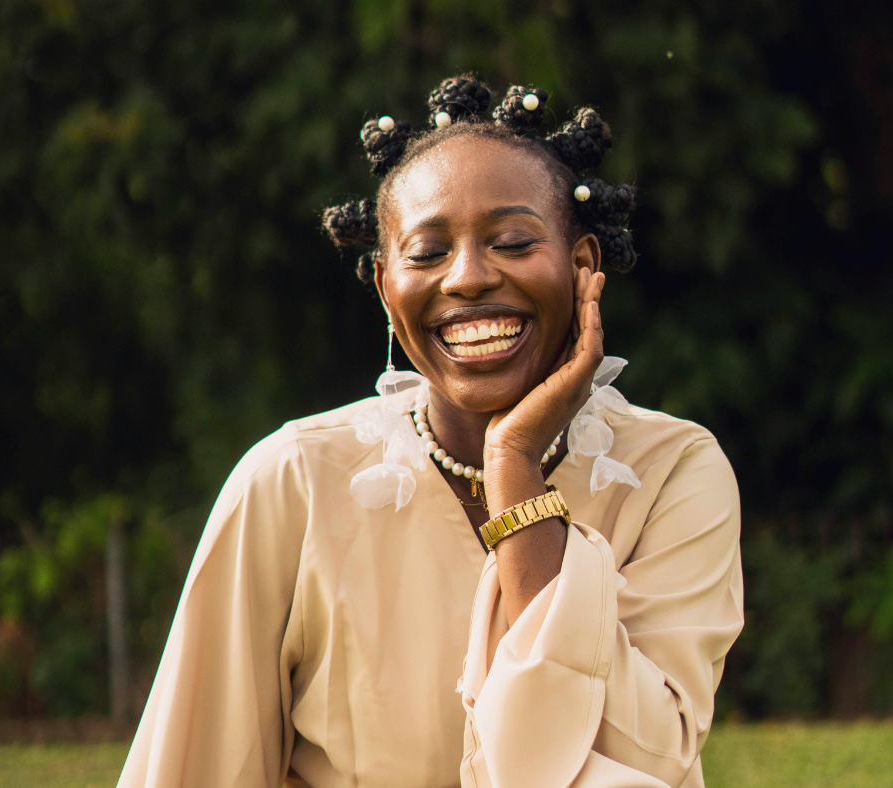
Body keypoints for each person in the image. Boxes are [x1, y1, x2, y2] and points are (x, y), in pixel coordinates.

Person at [118, 76, 743, 788]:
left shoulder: (672, 473)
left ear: (583, 267)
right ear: (387, 289)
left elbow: (645, 762)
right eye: (426, 254)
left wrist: (514, 467)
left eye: (512, 241)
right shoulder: (292, 483)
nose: (469, 277)